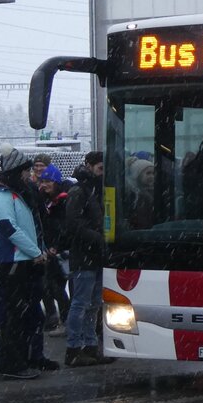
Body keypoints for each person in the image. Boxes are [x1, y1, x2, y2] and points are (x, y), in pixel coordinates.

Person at [0, 145, 58, 380]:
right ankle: (11, 363)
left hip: (27, 262)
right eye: (25, 172)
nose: (29, 176)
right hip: (12, 263)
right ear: (16, 172)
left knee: (31, 314)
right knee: (12, 318)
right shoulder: (1, 197)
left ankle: (31, 357)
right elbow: (10, 229)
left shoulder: (21, 195)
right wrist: (35, 251)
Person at [63, 151, 113, 366]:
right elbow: (74, 224)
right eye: (100, 168)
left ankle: (89, 346)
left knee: (92, 304)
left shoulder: (92, 190)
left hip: (94, 255)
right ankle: (75, 348)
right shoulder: (80, 191)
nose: (102, 173)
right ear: (90, 166)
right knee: (82, 303)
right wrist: (98, 238)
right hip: (85, 255)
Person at [36, 164, 72, 335]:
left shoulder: (63, 200)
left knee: (59, 287)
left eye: (48, 181)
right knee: (52, 287)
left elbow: (65, 227)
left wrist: (57, 246)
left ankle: (68, 322)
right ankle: (65, 320)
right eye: (42, 181)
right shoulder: (44, 200)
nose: (45, 185)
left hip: (63, 251)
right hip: (51, 251)